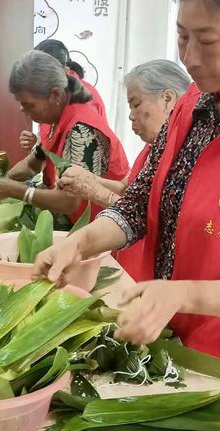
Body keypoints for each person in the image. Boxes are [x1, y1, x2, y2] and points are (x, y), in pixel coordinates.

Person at [34, 0, 220, 416]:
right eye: (181, 36)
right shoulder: (191, 106)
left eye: (207, 40)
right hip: (164, 341)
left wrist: (182, 294)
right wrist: (82, 242)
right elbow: (139, 203)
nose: (190, 57)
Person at [58, 60, 190, 280]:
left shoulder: (184, 155)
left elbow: (150, 215)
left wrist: (94, 191)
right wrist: (88, 179)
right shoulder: (154, 147)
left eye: (136, 104)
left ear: (167, 99)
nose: (130, 116)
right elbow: (126, 188)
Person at [0, 50, 129, 225]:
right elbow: (33, 163)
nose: (23, 110)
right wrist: (5, 178)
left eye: (29, 105)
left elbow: (69, 202)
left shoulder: (82, 131)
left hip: (100, 226)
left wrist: (16, 191)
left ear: (55, 95)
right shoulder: (52, 117)